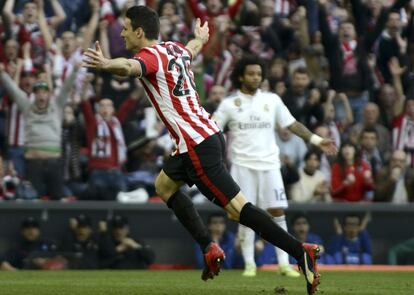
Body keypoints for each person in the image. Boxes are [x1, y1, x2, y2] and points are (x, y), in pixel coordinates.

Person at [82, 6, 336, 293]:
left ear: (140, 32)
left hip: (196, 145)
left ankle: (300, 251)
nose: (123, 33)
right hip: (201, 137)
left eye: (126, 28)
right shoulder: (175, 49)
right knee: (164, 186)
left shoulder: (148, 58)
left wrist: (105, 65)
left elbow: (129, 67)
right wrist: (200, 39)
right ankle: (209, 247)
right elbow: (191, 49)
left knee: (237, 210)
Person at [214, 56, 333, 278]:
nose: (256, 77)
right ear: (241, 76)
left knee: (277, 211)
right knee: (244, 214)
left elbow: (292, 124)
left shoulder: (272, 100)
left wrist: (317, 140)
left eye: (259, 74)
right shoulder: (229, 104)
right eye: (251, 74)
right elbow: (212, 130)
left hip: (269, 165)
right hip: (242, 166)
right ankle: (250, 264)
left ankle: (284, 263)